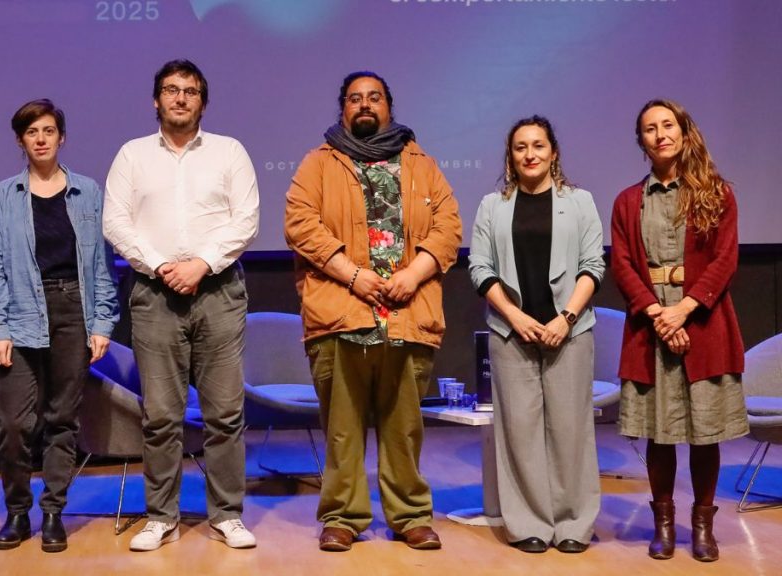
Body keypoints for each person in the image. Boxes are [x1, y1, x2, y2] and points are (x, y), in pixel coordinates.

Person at [284, 71, 461, 552]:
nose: (364, 104)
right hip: (341, 313)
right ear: (343, 108)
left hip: (408, 313)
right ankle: (342, 517)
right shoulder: (319, 163)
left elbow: (448, 227)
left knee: (404, 428)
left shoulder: (422, 164)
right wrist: (353, 276)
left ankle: (410, 515)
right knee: (342, 430)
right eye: (355, 98)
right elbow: (300, 224)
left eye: (374, 97)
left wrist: (414, 274)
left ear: (389, 106)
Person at [103, 59, 259, 551]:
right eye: (171, 90)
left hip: (219, 291)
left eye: (190, 91)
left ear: (202, 102)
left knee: (225, 413)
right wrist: (161, 265)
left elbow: (246, 220)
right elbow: (115, 222)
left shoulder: (229, 152)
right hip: (155, 293)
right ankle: (160, 516)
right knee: (161, 416)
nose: (180, 98)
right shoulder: (132, 155)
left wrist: (201, 264)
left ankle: (227, 515)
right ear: (156, 100)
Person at [0, 99, 119, 553]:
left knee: (63, 418)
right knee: (13, 423)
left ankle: (54, 510)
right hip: (20, 308)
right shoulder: (4, 195)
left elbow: (101, 263)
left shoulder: (87, 192)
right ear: (20, 140)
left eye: (49, 130)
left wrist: (102, 321)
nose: (41, 139)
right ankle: (18, 511)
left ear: (62, 138)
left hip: (73, 308)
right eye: (32, 132)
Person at [611, 99, 747, 563]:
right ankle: (663, 526)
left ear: (684, 133)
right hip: (650, 326)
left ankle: (702, 527)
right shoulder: (628, 201)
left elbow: (725, 259)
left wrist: (685, 309)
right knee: (660, 432)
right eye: (650, 128)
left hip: (704, 322)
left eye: (668, 125)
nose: (660, 134)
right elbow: (623, 264)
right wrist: (658, 314)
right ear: (641, 141)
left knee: (705, 433)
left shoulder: (717, 193)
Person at [468, 116, 604, 554]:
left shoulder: (580, 202)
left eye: (539, 145)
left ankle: (573, 524)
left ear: (553, 152)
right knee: (519, 431)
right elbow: (480, 268)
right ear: (510, 156)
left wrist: (566, 317)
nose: (530, 154)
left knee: (570, 429)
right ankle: (528, 523)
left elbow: (593, 265)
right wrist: (514, 316)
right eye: (521, 147)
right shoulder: (492, 206)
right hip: (511, 334)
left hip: (570, 331)